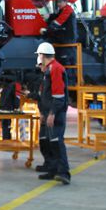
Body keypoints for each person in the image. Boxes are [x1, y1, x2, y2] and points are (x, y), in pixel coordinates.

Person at [35, 42, 71, 185]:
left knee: (56, 142)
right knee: (48, 141)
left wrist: (52, 114)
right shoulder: (49, 70)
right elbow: (45, 95)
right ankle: (52, 168)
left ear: (42, 55)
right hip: (49, 112)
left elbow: (58, 96)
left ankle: (64, 173)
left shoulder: (55, 69)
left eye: (39, 55)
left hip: (56, 113)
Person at [41, 0, 77, 72]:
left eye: (60, 2)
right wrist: (48, 16)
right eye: (58, 2)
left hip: (67, 39)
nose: (58, 4)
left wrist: (46, 30)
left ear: (65, 2)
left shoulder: (67, 10)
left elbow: (58, 22)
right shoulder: (63, 10)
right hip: (65, 37)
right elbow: (56, 16)